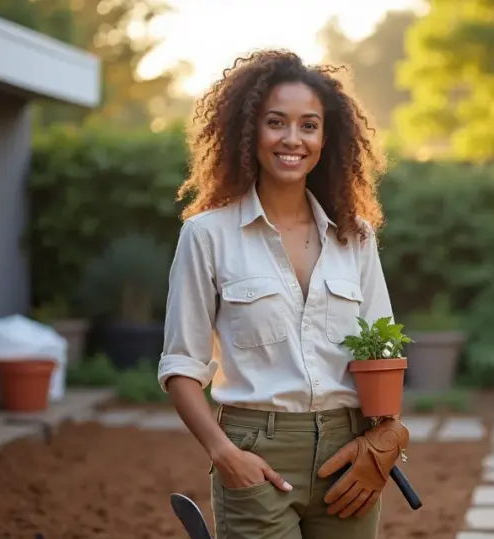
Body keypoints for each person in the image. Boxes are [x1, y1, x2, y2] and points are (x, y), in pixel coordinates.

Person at [157, 49, 409, 539]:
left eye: (308, 125)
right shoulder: (207, 235)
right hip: (256, 450)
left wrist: (387, 437)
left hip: (348, 455)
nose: (293, 139)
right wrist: (224, 453)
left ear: (326, 138)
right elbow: (181, 367)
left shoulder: (355, 236)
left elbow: (383, 353)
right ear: (250, 131)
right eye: (276, 122)